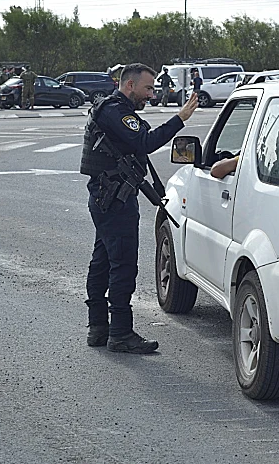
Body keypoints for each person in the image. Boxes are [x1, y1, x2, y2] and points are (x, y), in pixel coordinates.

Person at [80, 62, 198, 354]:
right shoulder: (114, 110)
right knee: (121, 265)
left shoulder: (114, 109)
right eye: (147, 88)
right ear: (129, 85)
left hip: (109, 197)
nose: (151, 94)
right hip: (114, 199)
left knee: (103, 260)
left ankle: (99, 327)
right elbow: (146, 141)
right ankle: (119, 333)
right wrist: (180, 118)